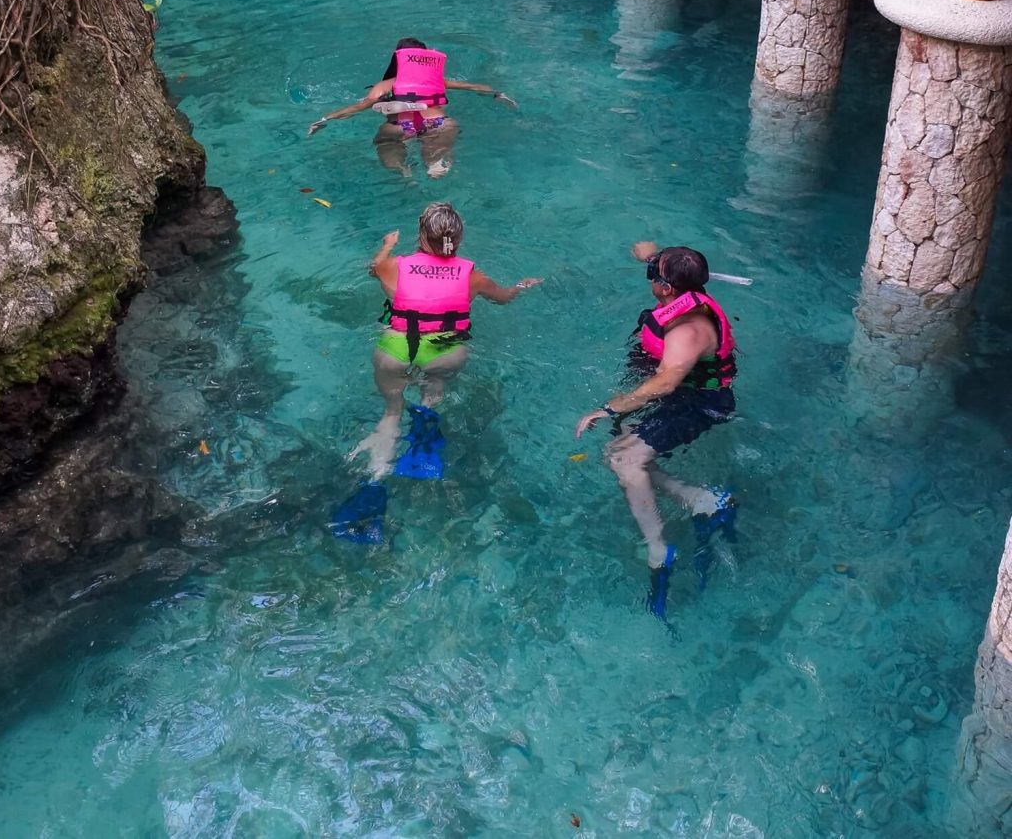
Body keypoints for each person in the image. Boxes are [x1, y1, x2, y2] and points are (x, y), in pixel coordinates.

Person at [574, 242, 737, 621]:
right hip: (684, 392)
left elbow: (665, 383)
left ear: (665, 288)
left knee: (624, 458)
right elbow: (665, 263)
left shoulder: (688, 331)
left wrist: (609, 406)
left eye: (654, 273)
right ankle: (701, 499)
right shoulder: (682, 287)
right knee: (617, 451)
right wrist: (648, 254)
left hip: (699, 403)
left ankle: (657, 548)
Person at [349, 202, 542, 482]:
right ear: (458, 239)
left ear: (421, 235)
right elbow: (503, 298)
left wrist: (387, 245)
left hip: (395, 349)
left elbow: (373, 268)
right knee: (431, 396)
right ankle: (423, 434)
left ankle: (379, 462)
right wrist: (522, 286)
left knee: (392, 409)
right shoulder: (474, 277)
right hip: (445, 351)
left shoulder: (394, 266)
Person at [307, 38, 516, 177]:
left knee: (387, 147)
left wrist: (325, 119)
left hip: (399, 127)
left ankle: (403, 171)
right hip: (440, 124)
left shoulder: (385, 85)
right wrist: (497, 94)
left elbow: (358, 107)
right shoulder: (438, 81)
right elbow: (472, 87)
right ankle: (435, 164)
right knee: (437, 160)